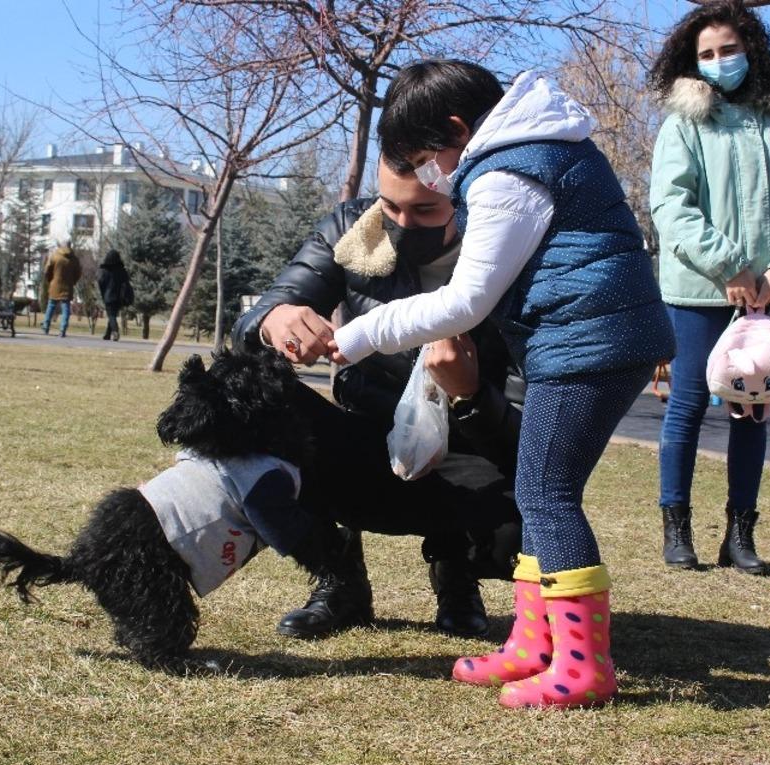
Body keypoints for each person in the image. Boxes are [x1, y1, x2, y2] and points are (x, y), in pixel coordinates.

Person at [330, 61, 675, 709]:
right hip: (590, 333)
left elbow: (466, 301)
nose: (428, 175)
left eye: (425, 158)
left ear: (458, 130)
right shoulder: (538, 147)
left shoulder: (508, 171)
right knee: (539, 487)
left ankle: (582, 666)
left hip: (589, 338)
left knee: (546, 491)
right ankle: (535, 643)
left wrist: (363, 332)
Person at [232, 160, 527, 641]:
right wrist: (274, 320)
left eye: (426, 209)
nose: (402, 225)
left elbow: (529, 434)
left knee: (523, 521)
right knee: (259, 405)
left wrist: (470, 393)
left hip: (470, 451)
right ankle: (341, 578)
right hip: (368, 436)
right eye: (390, 205)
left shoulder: (511, 250)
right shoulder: (353, 229)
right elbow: (262, 314)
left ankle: (456, 571)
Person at [649, 0, 770, 574]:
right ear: (690, 61)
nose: (719, 61)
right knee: (689, 406)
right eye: (706, 54)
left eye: (728, 49)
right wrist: (729, 267)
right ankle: (678, 530)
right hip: (700, 291)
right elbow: (671, 207)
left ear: (750, 48)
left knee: (754, 407)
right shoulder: (683, 124)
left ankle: (740, 534)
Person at [41, 239, 81, 337]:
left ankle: (46, 326)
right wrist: (73, 282)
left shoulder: (55, 256)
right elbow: (78, 273)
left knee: (51, 305)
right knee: (65, 307)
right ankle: (63, 329)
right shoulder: (74, 259)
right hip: (68, 286)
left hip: (55, 284)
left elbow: (47, 270)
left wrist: (50, 279)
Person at [97, 249, 131, 341]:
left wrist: (103, 293)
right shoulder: (122, 270)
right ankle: (107, 334)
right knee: (112, 315)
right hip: (119, 297)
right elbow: (126, 282)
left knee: (111, 316)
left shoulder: (105, 271)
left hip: (109, 296)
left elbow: (101, 282)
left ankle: (115, 331)